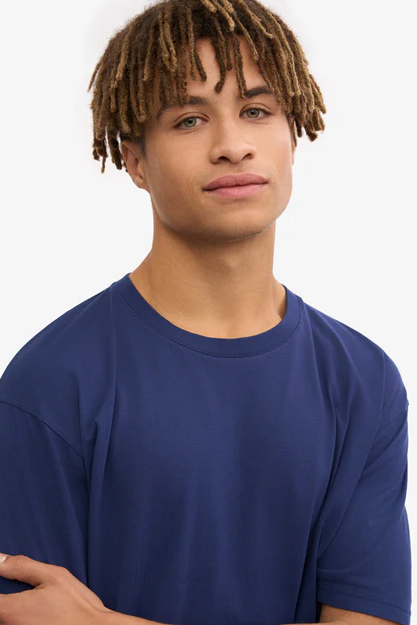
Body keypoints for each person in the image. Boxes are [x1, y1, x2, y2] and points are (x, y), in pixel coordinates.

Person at [0, 1, 411, 624]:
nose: (232, 146)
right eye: (189, 120)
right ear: (135, 161)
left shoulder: (364, 381)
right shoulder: (51, 383)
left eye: (256, 111)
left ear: (293, 135)